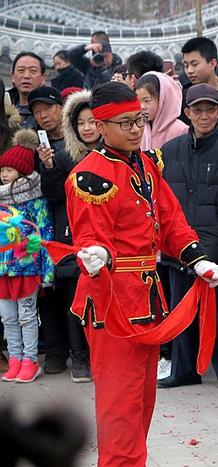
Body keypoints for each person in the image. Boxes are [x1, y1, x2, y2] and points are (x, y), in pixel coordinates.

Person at [65, 81, 218, 466]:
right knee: (119, 402)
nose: (136, 129)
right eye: (126, 123)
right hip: (111, 299)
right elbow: (90, 233)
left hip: (148, 296)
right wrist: (96, 252)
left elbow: (169, 219)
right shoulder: (91, 176)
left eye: (140, 120)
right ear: (101, 126)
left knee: (142, 399)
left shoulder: (146, 164)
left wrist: (196, 258)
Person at [158, 83, 218, 392]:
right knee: (181, 309)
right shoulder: (170, 150)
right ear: (187, 113)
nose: (204, 116)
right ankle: (184, 370)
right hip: (179, 244)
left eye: (210, 110)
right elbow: (162, 198)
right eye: (198, 110)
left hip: (215, 242)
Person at [42, 89, 99, 383]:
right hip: (72, 235)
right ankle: (79, 357)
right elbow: (52, 195)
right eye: (81, 123)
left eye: (93, 121)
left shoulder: (115, 155)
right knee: (75, 300)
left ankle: (100, 356)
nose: (87, 128)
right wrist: (50, 168)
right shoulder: (64, 156)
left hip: (106, 237)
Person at [0, 130, 54, 384]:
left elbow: (44, 234)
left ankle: (31, 360)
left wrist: (47, 271)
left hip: (27, 269)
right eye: (2, 169)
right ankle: (14, 359)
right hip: (3, 271)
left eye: (9, 169)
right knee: (8, 318)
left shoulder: (35, 200)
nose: (3, 174)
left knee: (27, 316)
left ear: (22, 171)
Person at [180, 37, 218, 125]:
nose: (189, 70)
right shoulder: (181, 98)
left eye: (194, 64)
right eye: (186, 66)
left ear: (212, 64)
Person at [135, 72, 188, 151]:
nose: (142, 107)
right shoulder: (139, 128)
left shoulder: (181, 130)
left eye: (147, 100)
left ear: (163, 99)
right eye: (138, 101)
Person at [9, 52, 47, 128]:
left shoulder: (52, 109)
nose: (26, 76)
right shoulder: (3, 106)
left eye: (33, 71)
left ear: (43, 78)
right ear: (12, 77)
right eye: (21, 70)